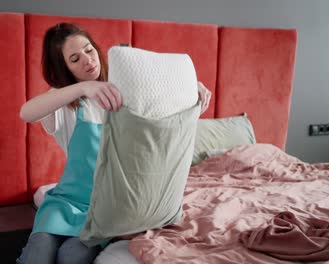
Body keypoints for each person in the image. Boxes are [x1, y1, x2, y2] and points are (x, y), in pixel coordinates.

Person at [17, 22, 211, 264]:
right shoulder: (67, 104)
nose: (88, 60)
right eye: (75, 59)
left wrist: (195, 87)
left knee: (71, 256)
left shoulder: (127, 94)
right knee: (38, 253)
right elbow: (26, 113)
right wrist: (84, 87)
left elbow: (165, 92)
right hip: (64, 203)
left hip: (107, 209)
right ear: (64, 68)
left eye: (89, 50)